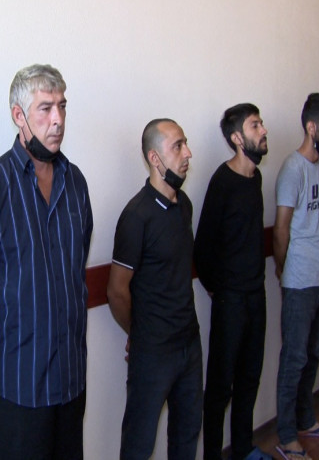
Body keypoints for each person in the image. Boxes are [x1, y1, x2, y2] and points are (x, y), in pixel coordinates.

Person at [0, 64, 93, 460]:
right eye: (45, 108)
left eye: (62, 106)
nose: (58, 119)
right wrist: (2, 314)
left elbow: (76, 263)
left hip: (70, 380)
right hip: (16, 384)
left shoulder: (76, 183)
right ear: (18, 115)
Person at [107, 118, 202, 460]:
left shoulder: (184, 205)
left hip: (189, 343)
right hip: (154, 353)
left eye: (185, 143)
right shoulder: (137, 216)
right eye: (178, 146)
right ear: (154, 158)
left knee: (187, 434)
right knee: (139, 444)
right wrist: (139, 332)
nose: (187, 153)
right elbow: (116, 291)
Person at [194, 104, 271, 460]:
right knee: (220, 387)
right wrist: (221, 291)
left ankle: (243, 449)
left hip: (257, 295)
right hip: (231, 301)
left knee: (250, 378)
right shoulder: (222, 182)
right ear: (238, 138)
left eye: (261, 123)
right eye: (256, 126)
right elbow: (203, 247)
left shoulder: (256, 178)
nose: (264, 130)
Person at [273, 93, 319, 460]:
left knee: (313, 353)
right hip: (299, 279)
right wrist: (283, 268)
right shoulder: (292, 168)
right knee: (294, 358)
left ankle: (305, 419)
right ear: (311, 127)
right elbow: (281, 228)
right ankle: (287, 437)